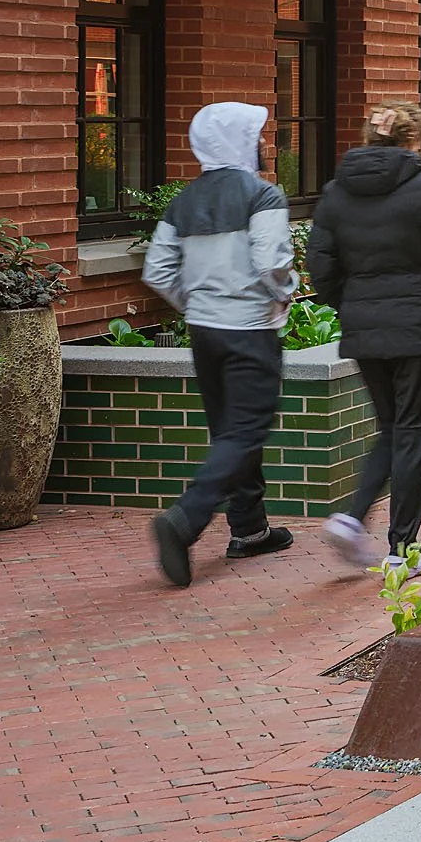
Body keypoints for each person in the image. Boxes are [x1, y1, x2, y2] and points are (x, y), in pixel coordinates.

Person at [308, 103, 421, 569]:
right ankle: (402, 551)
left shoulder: (337, 193)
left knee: (393, 429)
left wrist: (351, 305)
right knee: (417, 435)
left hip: (366, 331)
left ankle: (353, 518)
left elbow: (320, 263)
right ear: (413, 142)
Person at [143, 102, 297, 587]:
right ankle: (185, 521)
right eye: (256, 135)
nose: (263, 143)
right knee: (246, 431)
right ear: (240, 141)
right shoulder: (262, 195)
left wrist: (196, 304)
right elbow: (272, 263)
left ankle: (249, 529)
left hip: (205, 331)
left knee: (229, 430)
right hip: (250, 328)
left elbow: (157, 271)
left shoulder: (182, 201)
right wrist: (286, 293)